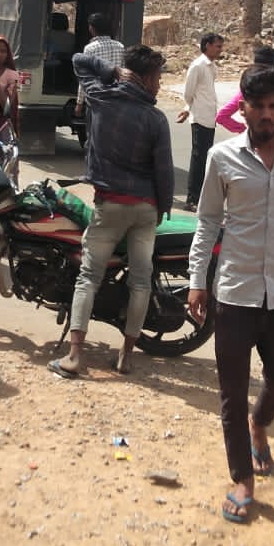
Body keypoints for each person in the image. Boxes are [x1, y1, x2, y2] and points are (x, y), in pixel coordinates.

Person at [187, 65, 274, 524]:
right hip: (235, 292)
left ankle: (260, 424)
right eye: (257, 107)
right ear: (242, 109)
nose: (266, 114)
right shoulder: (221, 157)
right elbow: (208, 220)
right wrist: (196, 279)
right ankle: (242, 479)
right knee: (231, 391)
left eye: (273, 106)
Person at [49, 45, 174, 379]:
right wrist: (162, 207)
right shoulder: (156, 119)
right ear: (145, 78)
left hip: (110, 204)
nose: (159, 85)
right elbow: (164, 172)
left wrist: (112, 72)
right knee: (141, 282)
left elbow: (79, 59)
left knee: (89, 277)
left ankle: (74, 356)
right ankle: (126, 356)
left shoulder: (100, 96)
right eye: (157, 78)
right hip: (145, 208)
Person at [177, 32, 223, 212]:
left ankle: (200, 198)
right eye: (217, 46)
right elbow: (189, 93)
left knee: (205, 157)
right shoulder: (198, 66)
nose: (220, 50)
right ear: (207, 46)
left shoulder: (212, 67)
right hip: (200, 117)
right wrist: (189, 108)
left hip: (209, 117)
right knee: (198, 158)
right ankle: (192, 199)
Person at [215, 47, 274, 134]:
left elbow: (221, 116)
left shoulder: (249, 90)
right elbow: (221, 116)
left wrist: (242, 129)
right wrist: (242, 129)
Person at [76, 12, 124, 119]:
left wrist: (79, 103)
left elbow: (85, 78)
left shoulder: (90, 49)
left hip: (96, 99)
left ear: (92, 28)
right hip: (115, 99)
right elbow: (123, 75)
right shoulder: (120, 47)